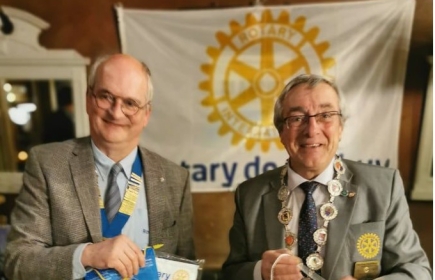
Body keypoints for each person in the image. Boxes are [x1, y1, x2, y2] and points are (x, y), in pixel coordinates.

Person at [222, 74, 431, 280]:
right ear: (281, 132)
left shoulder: (384, 187)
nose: (312, 130)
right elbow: (231, 273)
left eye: (325, 115)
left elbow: (418, 271)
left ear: (341, 127)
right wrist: (261, 272)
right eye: (297, 118)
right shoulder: (249, 194)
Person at [4, 54, 195, 279]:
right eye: (106, 96)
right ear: (88, 99)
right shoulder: (47, 165)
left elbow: (186, 266)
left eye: (130, 103)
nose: (115, 112)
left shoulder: (175, 179)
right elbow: (16, 260)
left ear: (146, 114)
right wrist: (87, 254)